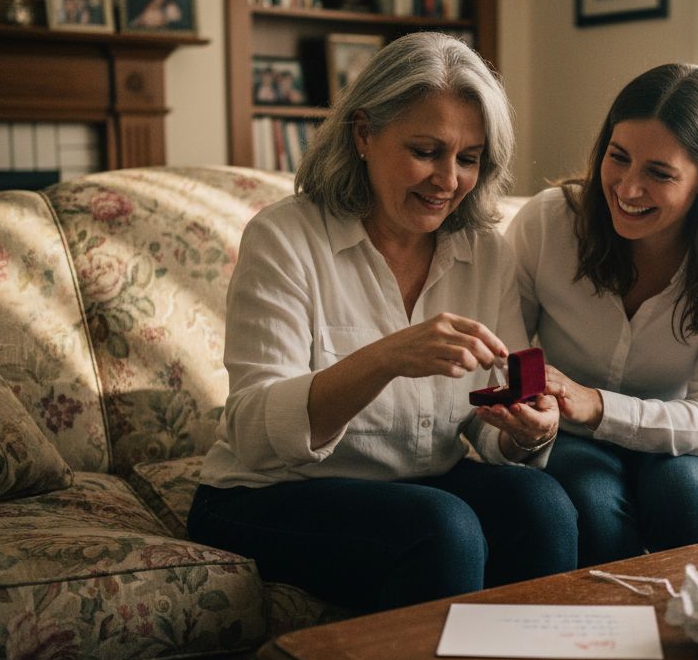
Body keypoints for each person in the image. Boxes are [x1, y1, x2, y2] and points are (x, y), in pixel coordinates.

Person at [187, 32, 577, 612]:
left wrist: (526, 430)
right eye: (425, 151)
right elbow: (252, 433)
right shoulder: (284, 238)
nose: (448, 180)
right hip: (272, 492)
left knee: (543, 504)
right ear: (364, 134)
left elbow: (488, 420)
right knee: (442, 527)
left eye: (468, 159)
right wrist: (386, 357)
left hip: (416, 487)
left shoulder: (482, 251)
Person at [506, 63, 698, 567]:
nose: (628, 189)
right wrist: (530, 413)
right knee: (591, 504)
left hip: (688, 436)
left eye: (658, 173)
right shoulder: (548, 225)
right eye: (618, 158)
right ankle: (620, 634)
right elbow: (505, 355)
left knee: (683, 496)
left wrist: (599, 406)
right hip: (573, 435)